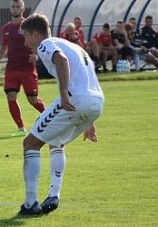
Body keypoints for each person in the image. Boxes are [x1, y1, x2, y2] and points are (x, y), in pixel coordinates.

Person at [16, 13, 104, 216]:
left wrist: (64, 94)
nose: (25, 42)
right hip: (96, 101)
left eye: (26, 36)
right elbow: (85, 77)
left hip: (76, 99)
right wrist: (89, 119)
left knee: (30, 143)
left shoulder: (46, 44)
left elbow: (61, 60)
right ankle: (53, 195)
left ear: (36, 35)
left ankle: (30, 204)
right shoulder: (74, 46)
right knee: (56, 141)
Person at [0, 0, 46, 136]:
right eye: (13, 6)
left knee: (32, 100)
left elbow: (39, 42)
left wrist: (36, 56)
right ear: (10, 9)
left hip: (27, 69)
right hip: (12, 69)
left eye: (18, 6)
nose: (15, 9)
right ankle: (21, 129)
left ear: (23, 9)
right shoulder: (5, 28)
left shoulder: (28, 26)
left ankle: (50, 116)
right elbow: (4, 46)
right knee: (11, 96)